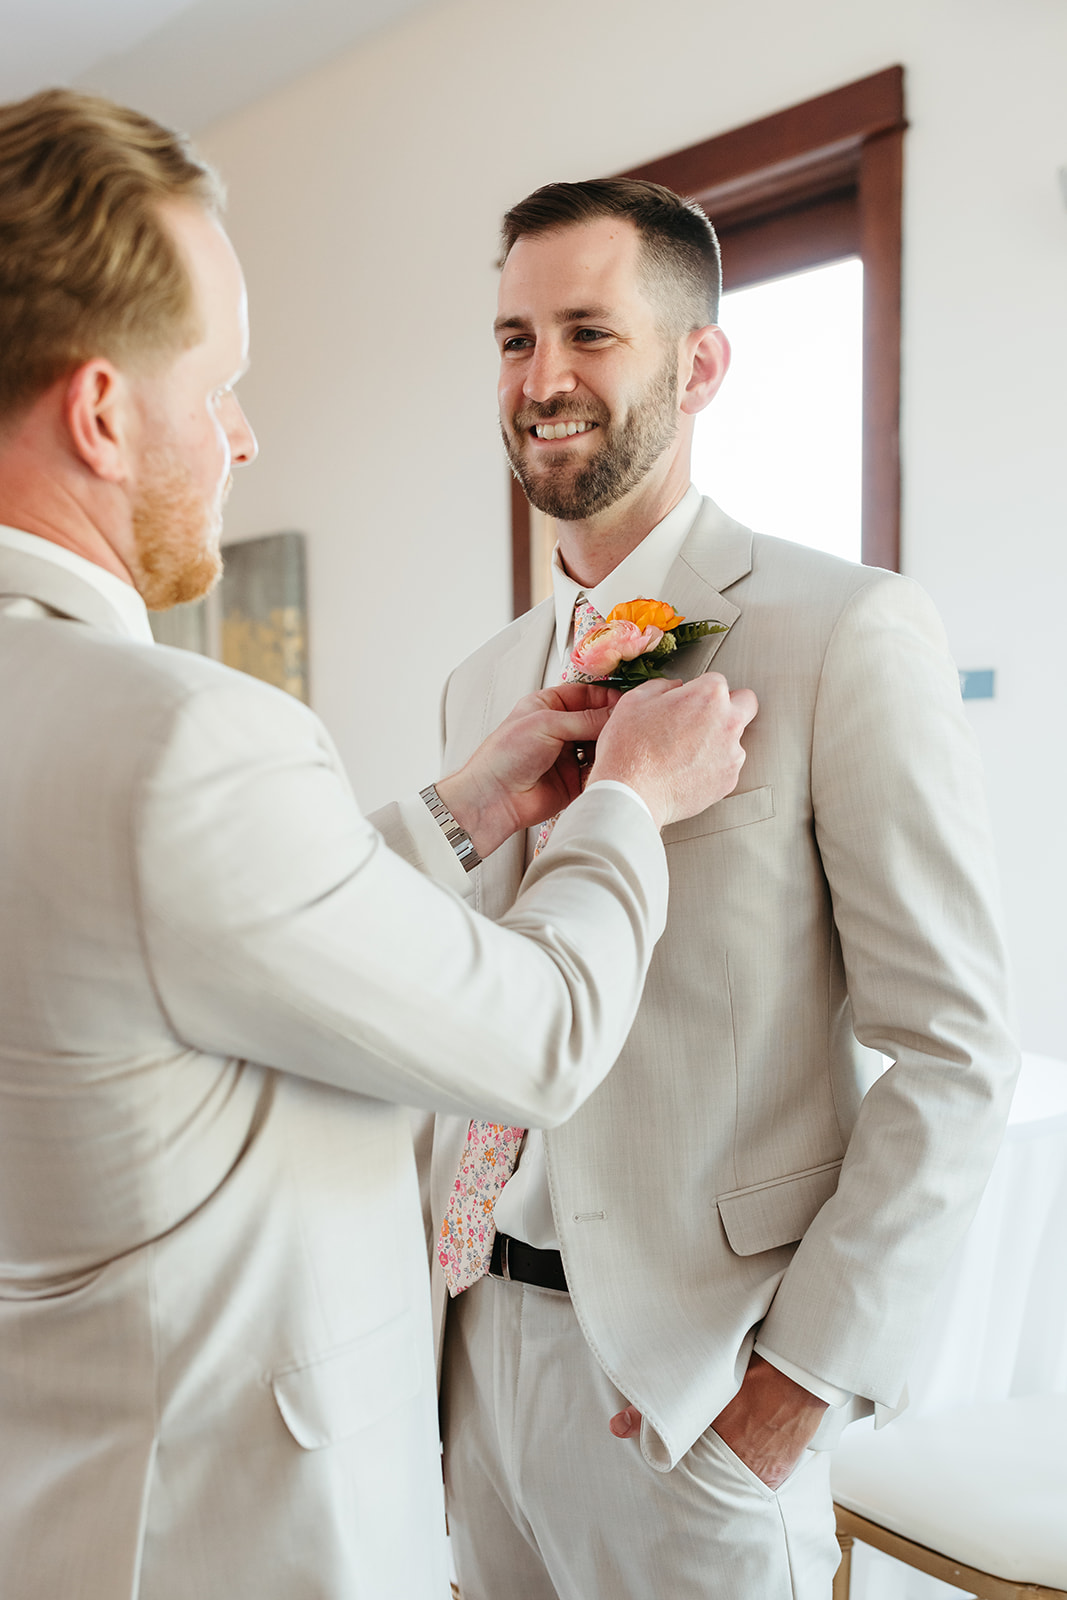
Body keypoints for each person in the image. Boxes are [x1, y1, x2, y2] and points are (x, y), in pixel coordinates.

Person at [0, 99, 757, 1600]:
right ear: (99, 412)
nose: (243, 434)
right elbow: (532, 1037)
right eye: (219, 386)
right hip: (241, 1519)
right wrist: (629, 808)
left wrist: (462, 811)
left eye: (590, 333)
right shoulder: (182, 735)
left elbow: (207, 945)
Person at [421, 178, 1019, 1600]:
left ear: (699, 364)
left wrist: (791, 1391)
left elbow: (954, 1048)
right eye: (514, 339)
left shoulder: (846, 632)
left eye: (588, 333)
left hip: (692, 1386)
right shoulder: (480, 686)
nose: (543, 379)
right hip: (472, 1351)